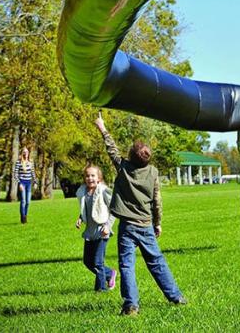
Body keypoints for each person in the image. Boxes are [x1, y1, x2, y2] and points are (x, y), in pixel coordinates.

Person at [95, 114, 186, 316]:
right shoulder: (153, 172)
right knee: (157, 262)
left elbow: (112, 150)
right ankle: (176, 297)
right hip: (145, 225)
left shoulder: (124, 168)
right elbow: (157, 202)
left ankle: (131, 305)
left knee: (127, 266)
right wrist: (158, 223)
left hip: (127, 227)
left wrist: (102, 128)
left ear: (130, 156)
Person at [75, 164, 117, 292]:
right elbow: (86, 209)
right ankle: (110, 274)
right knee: (88, 261)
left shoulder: (103, 191)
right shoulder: (83, 192)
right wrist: (80, 218)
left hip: (102, 231)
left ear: (99, 178)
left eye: (93, 175)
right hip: (90, 232)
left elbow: (113, 209)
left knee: (98, 263)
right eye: (87, 176)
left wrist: (108, 226)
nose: (90, 178)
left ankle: (101, 289)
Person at [13, 147, 37, 224]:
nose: (25, 153)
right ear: (22, 153)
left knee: (28, 202)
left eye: (27, 152)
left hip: (28, 183)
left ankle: (25, 215)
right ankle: (23, 218)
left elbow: (33, 173)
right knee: (23, 201)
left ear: (28, 153)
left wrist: (35, 182)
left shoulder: (30, 162)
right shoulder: (18, 162)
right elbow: (15, 174)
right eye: (24, 152)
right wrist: (19, 183)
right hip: (22, 183)